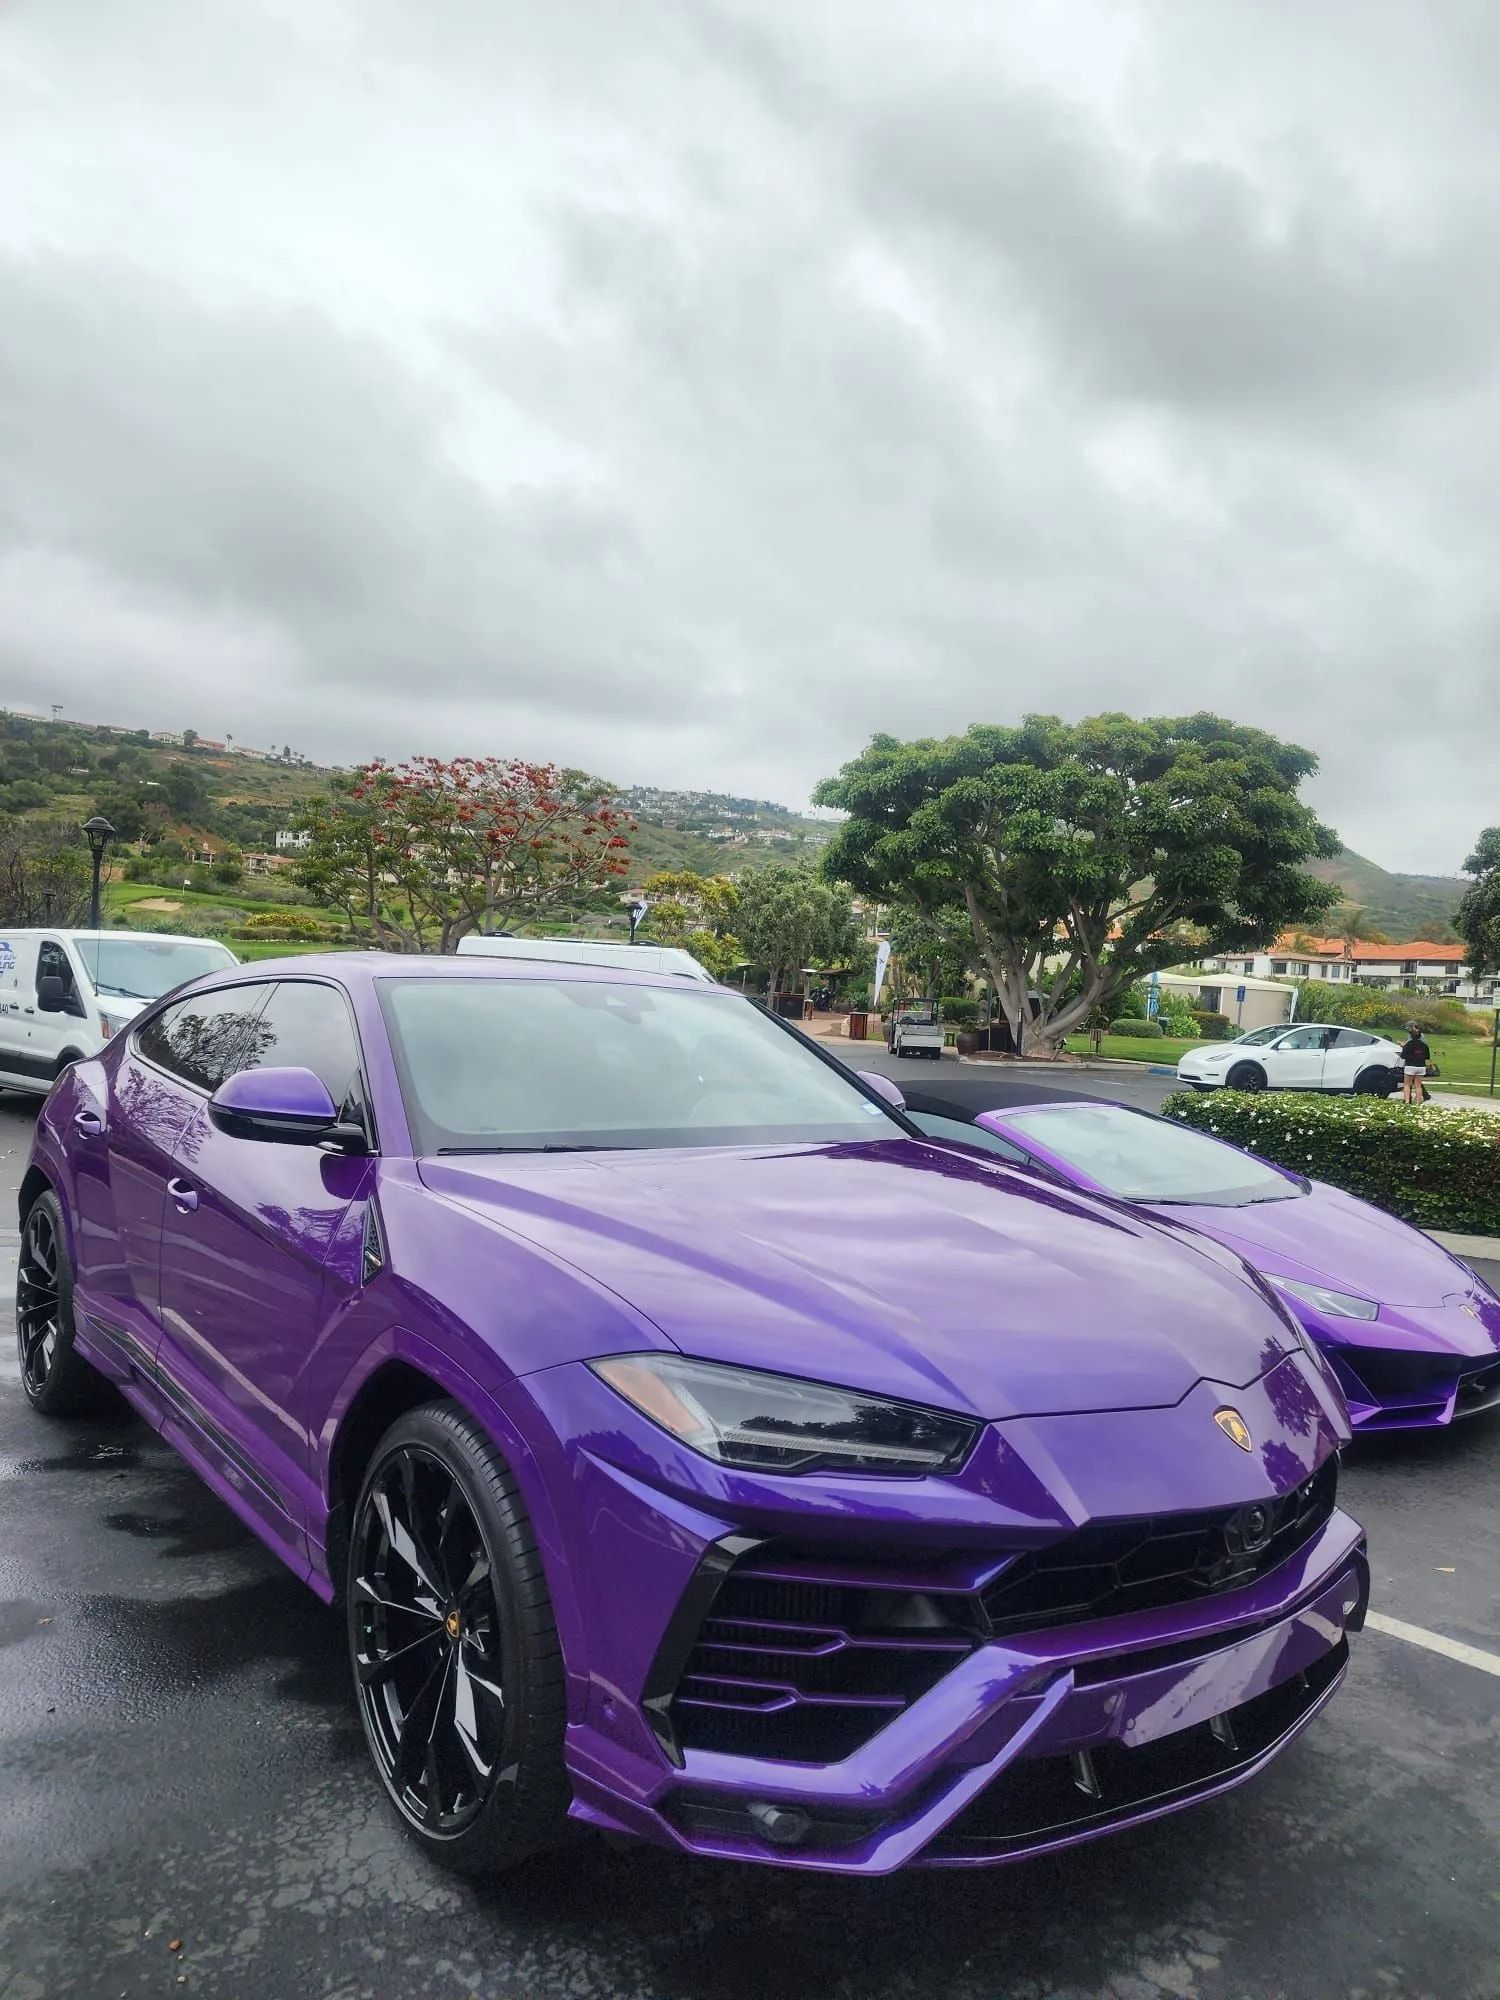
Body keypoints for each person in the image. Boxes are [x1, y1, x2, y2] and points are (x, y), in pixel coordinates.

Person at [1399, 1021, 1431, 1106]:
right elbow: (1427, 1055)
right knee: (1418, 1086)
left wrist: (1403, 1046)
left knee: (1406, 1084)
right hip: (1421, 1065)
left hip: (1410, 1065)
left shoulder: (1409, 1043)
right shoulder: (1424, 1045)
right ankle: (1418, 1102)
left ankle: (1407, 1101)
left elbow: (1404, 1055)